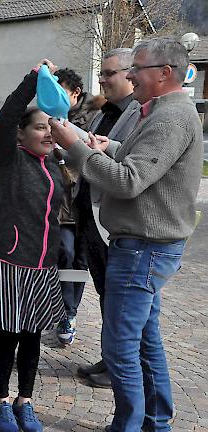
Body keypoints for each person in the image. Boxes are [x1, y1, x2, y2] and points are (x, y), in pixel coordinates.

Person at [51, 37, 203, 432]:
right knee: (145, 342)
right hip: (143, 248)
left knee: (120, 348)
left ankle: (129, 426)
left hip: (143, 251)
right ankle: (157, 421)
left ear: (165, 73)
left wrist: (79, 149)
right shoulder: (156, 111)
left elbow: (130, 181)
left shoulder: (171, 117)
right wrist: (109, 145)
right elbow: (143, 161)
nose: (131, 74)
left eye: (138, 68)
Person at [0, 59, 65, 432]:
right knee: (9, 335)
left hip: (43, 265)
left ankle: (24, 401)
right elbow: (11, 110)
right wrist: (34, 78)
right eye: (40, 127)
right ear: (21, 134)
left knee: (33, 337)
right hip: (11, 262)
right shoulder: (11, 158)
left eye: (51, 127)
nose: (48, 133)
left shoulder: (56, 164)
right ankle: (0, 400)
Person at [74, 48, 141, 389]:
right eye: (101, 72)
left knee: (120, 300)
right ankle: (110, 357)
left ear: (132, 74)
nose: (101, 79)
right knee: (104, 293)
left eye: (109, 73)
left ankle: (121, 367)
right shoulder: (104, 112)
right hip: (89, 216)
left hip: (113, 221)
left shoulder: (140, 113)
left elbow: (127, 169)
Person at [50, 67, 95, 346]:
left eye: (59, 92)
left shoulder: (95, 118)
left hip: (90, 205)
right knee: (64, 254)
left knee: (81, 262)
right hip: (64, 207)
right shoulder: (51, 116)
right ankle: (65, 311)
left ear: (75, 94)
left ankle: (71, 312)